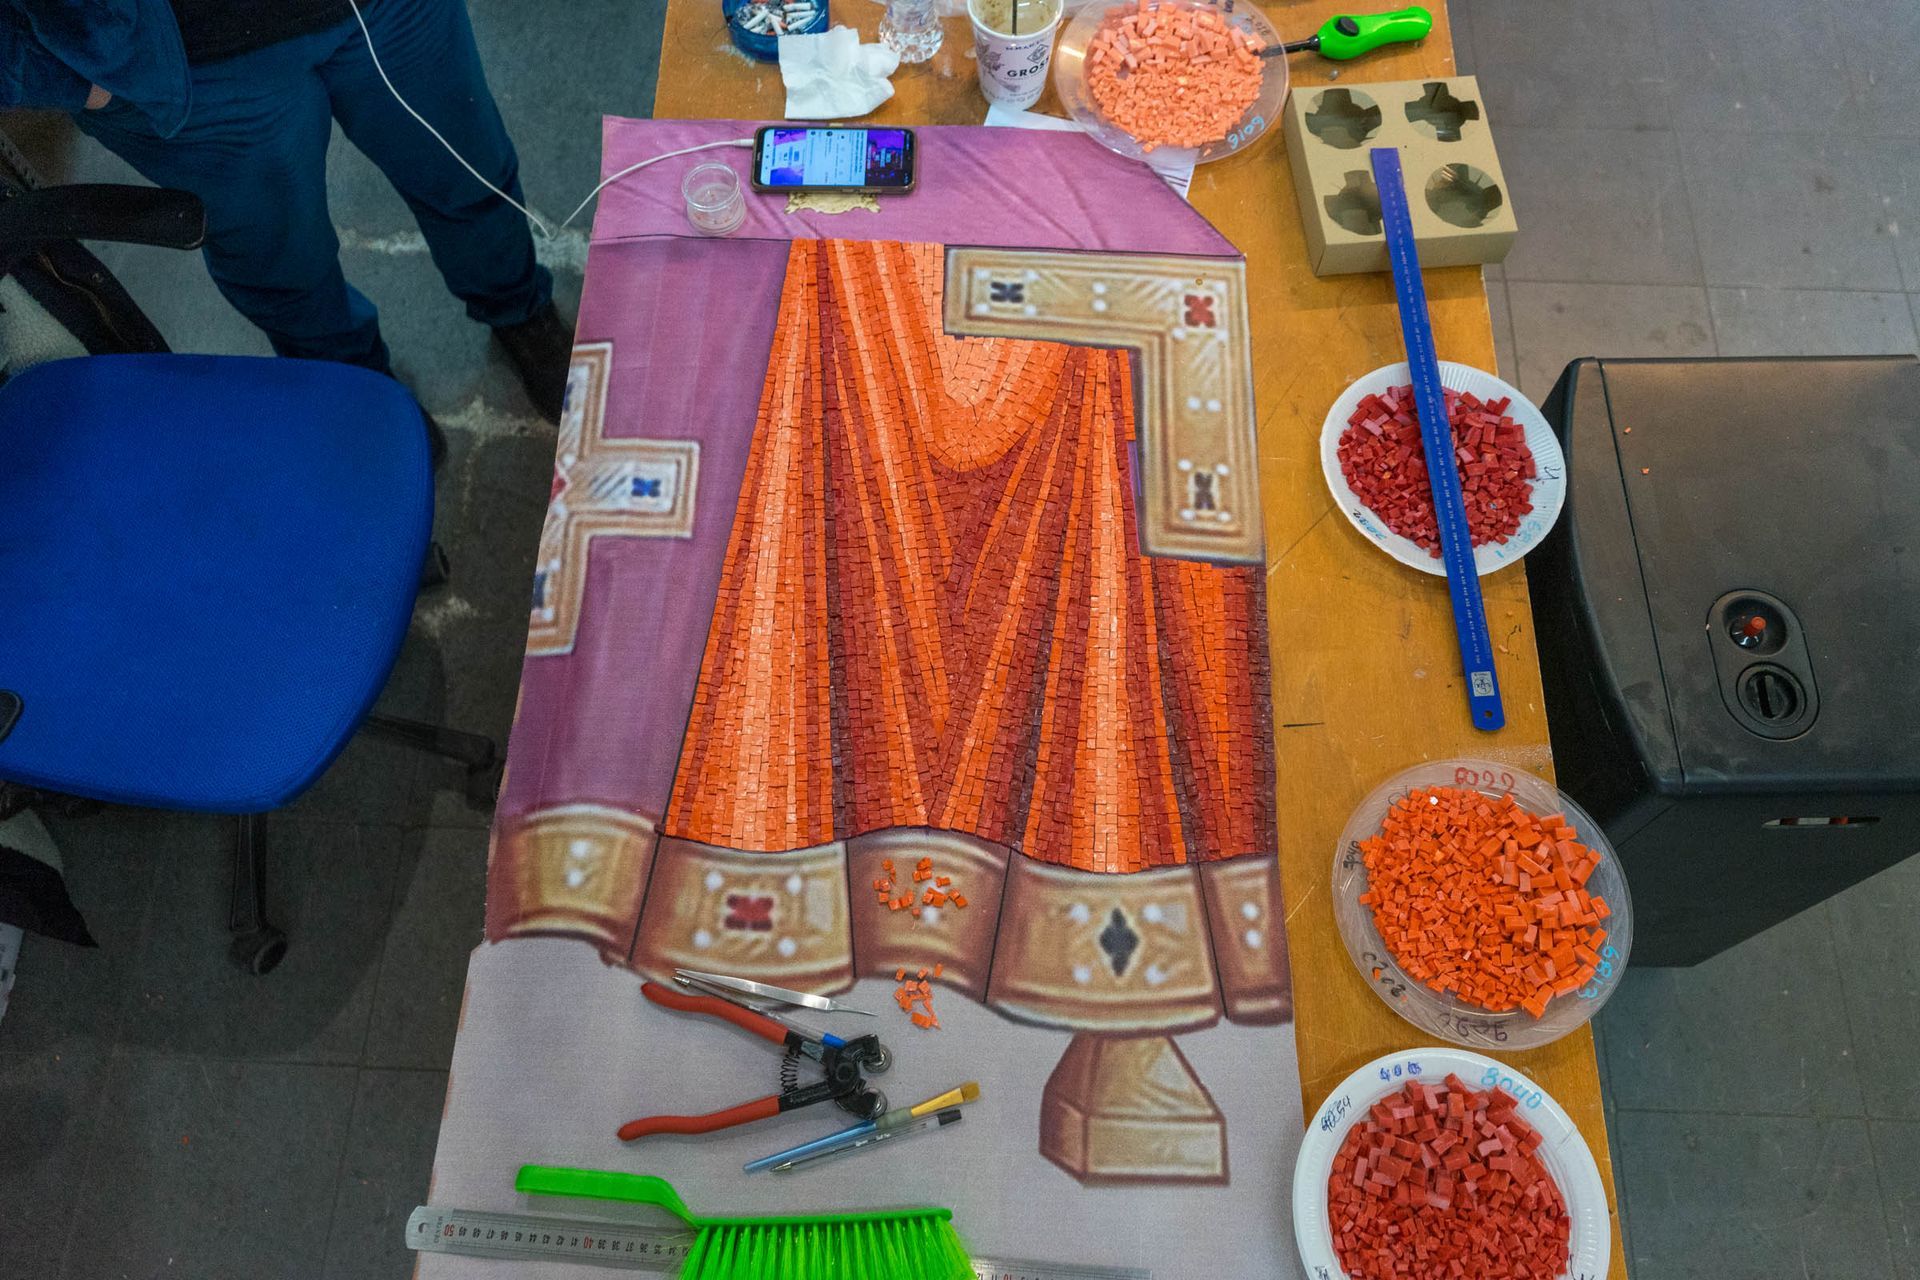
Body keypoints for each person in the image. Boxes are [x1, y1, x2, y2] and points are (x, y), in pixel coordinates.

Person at [0, 0, 572, 448]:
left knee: (465, 170)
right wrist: (58, 73)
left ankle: (519, 307)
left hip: (386, 12)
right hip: (184, 63)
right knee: (280, 263)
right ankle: (359, 391)